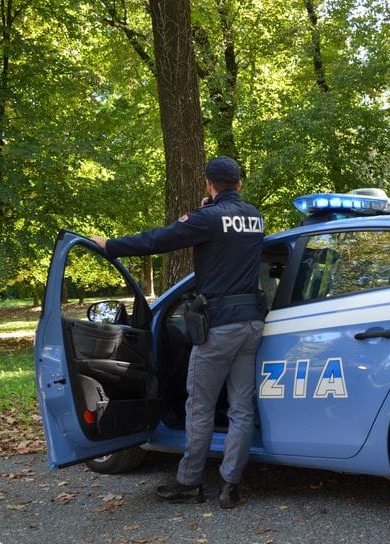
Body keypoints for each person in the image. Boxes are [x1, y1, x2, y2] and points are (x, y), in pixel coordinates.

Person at [91, 156, 265, 509]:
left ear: (208, 184)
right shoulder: (255, 217)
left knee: (198, 407)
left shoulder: (206, 219)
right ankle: (231, 486)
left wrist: (111, 246)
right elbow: (230, 238)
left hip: (218, 325)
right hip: (252, 323)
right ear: (240, 184)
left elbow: (158, 239)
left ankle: (189, 483)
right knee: (241, 408)